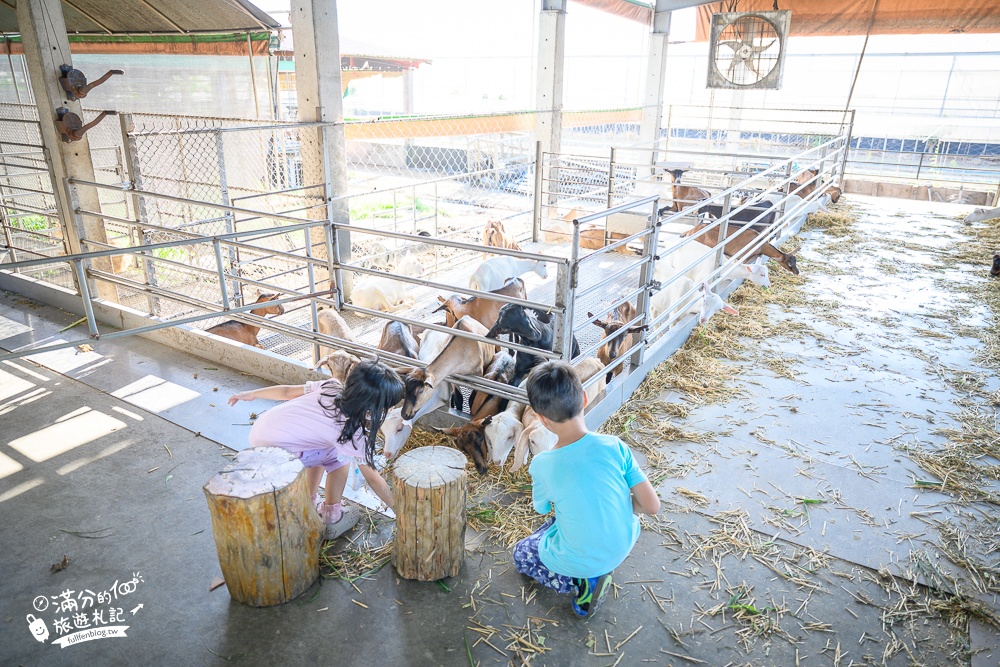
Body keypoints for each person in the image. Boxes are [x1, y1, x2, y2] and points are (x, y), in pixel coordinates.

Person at [513, 361, 661, 618]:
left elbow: (543, 508)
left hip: (580, 558)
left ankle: (583, 583)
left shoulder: (542, 464)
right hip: (622, 543)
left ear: (541, 419)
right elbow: (652, 506)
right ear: (583, 398)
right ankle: (597, 565)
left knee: (522, 554)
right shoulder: (615, 445)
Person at [228, 360, 402, 540]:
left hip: (260, 433)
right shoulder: (352, 434)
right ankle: (332, 516)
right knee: (340, 458)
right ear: (371, 407)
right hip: (280, 456)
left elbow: (287, 392)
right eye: (389, 405)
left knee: (323, 445)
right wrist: (399, 510)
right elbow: (373, 479)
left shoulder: (331, 386)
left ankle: (309, 502)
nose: (392, 409)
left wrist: (253, 393)